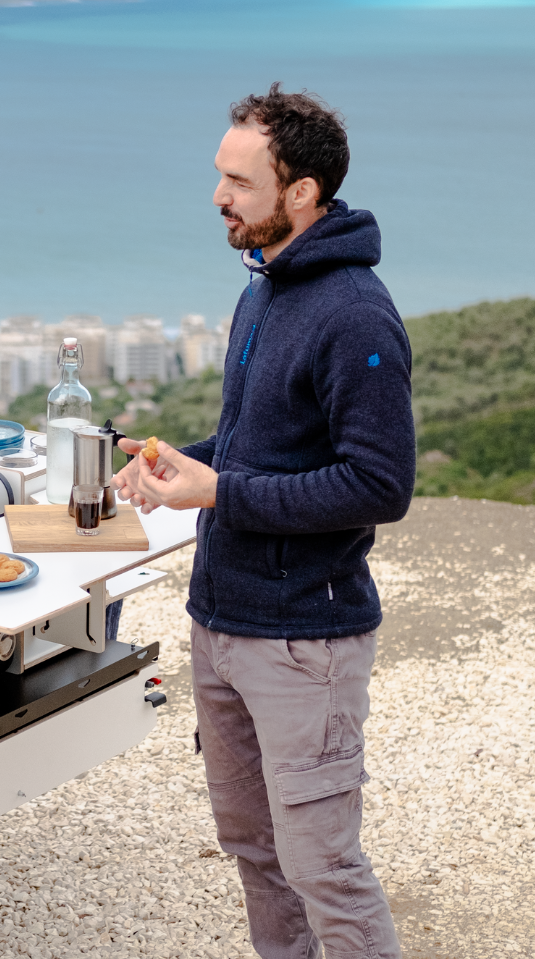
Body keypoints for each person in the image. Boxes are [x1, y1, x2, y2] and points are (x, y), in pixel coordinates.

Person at [114, 84, 415, 959]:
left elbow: (379, 485)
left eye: (239, 181)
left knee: (325, 867)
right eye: (220, 175)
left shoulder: (356, 314)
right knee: (255, 850)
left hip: (304, 643)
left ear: (303, 195)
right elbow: (256, 446)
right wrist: (185, 457)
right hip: (223, 623)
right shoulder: (264, 288)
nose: (219, 196)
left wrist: (218, 492)